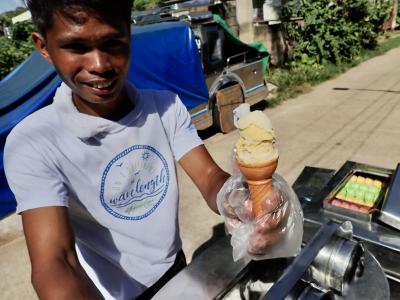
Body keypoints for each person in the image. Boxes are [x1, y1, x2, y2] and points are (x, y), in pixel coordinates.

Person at [4, 1, 288, 299]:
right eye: (76, 47)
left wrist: (242, 200)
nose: (99, 65)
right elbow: (55, 262)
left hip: (176, 267)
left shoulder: (165, 107)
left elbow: (208, 178)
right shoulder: (34, 141)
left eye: (113, 42)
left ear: (130, 34)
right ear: (44, 47)